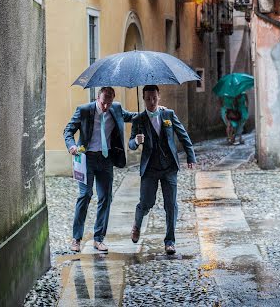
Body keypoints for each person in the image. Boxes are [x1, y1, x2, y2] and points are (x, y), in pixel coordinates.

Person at [63, 86, 134, 254]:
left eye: (109, 103)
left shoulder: (115, 108)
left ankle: (98, 239)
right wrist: (72, 145)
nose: (105, 107)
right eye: (103, 103)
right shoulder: (84, 110)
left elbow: (132, 116)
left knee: (105, 198)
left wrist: (153, 111)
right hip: (86, 159)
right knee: (85, 195)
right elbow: (68, 131)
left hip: (106, 159)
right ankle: (76, 238)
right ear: (97, 98)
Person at [128, 85, 196, 255]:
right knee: (146, 203)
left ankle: (170, 241)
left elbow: (183, 135)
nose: (151, 102)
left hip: (169, 167)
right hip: (150, 168)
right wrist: (136, 141)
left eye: (154, 98)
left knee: (171, 205)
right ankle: (137, 225)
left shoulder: (168, 115)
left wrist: (190, 156)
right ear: (143, 99)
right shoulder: (138, 120)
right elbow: (130, 144)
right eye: (148, 99)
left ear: (159, 96)